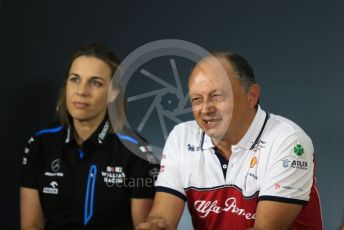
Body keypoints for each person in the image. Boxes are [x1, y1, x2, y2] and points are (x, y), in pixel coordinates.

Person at [137, 53, 322, 229]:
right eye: (196, 99)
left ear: (251, 96)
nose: (206, 109)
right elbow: (162, 217)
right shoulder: (181, 137)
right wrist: (155, 226)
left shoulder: (288, 141)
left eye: (217, 96)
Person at [20, 43, 159, 230]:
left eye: (96, 83)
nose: (81, 91)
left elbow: (143, 227)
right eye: (75, 79)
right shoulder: (40, 143)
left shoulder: (136, 150)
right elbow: (31, 225)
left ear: (114, 93)